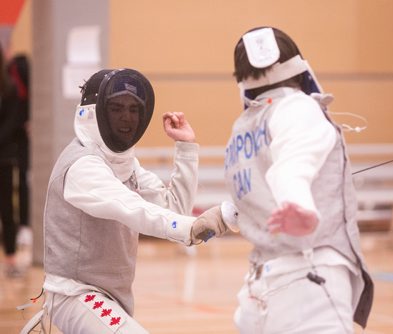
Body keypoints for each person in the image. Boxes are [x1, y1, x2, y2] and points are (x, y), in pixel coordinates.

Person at [20, 68, 235, 333]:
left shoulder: (126, 165)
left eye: (134, 109)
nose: (127, 118)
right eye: (117, 108)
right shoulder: (82, 166)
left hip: (113, 295)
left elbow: (173, 208)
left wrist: (186, 148)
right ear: (94, 112)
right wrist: (190, 228)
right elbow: (131, 208)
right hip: (74, 294)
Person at [225, 27, 373, 334]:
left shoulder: (243, 127)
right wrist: (298, 205)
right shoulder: (297, 107)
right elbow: (292, 168)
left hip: (262, 285)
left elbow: (258, 190)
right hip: (311, 279)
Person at [0, 43, 22, 278]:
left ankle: (11, 258)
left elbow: (10, 125)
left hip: (4, 157)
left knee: (7, 208)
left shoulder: (10, 88)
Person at [7, 54, 32, 247]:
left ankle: (24, 226)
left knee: (22, 179)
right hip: (9, 137)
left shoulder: (20, 66)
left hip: (17, 136)